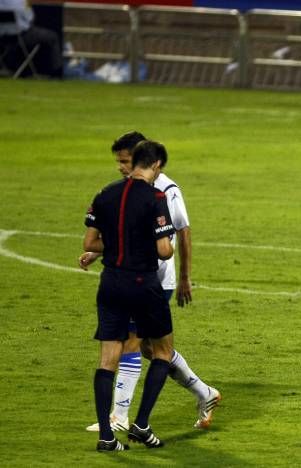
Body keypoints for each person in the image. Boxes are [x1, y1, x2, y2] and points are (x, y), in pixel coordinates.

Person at [82, 131, 220, 433]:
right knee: (150, 349)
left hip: (156, 278)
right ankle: (204, 393)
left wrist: (184, 277)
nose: (121, 167)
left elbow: (182, 232)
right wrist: (97, 254)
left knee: (131, 341)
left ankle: (119, 415)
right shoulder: (127, 190)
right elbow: (122, 233)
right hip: (132, 275)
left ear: (143, 160)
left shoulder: (166, 190)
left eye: (125, 161)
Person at [84, 140, 176, 451]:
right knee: (162, 352)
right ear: (157, 166)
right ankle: (141, 424)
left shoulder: (105, 194)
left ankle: (107, 438)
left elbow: (90, 241)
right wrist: (154, 245)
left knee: (108, 359)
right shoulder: (156, 196)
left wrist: (120, 246)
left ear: (132, 161)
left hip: (110, 283)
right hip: (143, 284)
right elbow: (165, 250)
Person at [0, 0, 62, 78]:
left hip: (2, 39)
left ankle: (17, 69)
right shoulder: (20, 2)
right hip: (20, 37)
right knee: (52, 36)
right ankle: (57, 73)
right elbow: (30, 18)